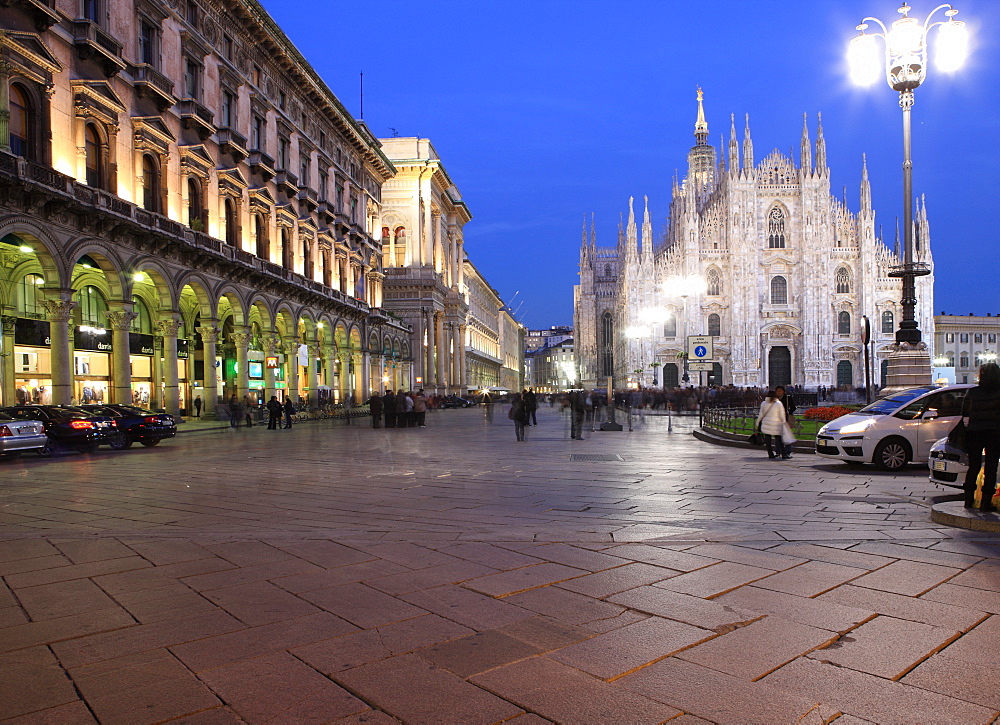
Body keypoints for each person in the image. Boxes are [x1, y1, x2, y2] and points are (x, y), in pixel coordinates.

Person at [961, 362, 1000, 511]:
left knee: (974, 466)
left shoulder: (973, 392)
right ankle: (985, 502)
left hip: (975, 432)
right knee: (991, 467)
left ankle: (968, 500)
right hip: (994, 433)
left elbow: (964, 412)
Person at [756, 390, 791, 459]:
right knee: (779, 440)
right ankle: (783, 454)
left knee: (768, 441)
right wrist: (784, 422)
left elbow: (761, 414)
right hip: (776, 424)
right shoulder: (778, 403)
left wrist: (758, 422)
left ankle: (770, 454)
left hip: (766, 424)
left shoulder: (764, 403)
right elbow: (782, 414)